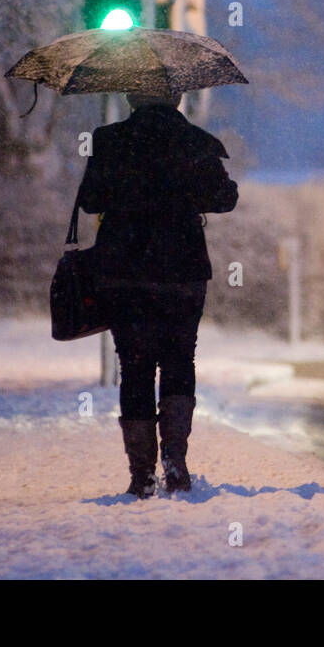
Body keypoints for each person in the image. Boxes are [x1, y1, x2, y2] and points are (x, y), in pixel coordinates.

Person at [76, 91, 238, 497]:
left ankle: (141, 473)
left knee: (134, 366)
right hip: (181, 271)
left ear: (131, 98)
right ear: (177, 97)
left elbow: (89, 199)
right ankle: (175, 460)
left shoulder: (108, 140)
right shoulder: (196, 142)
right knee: (180, 359)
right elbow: (224, 198)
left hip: (123, 271)